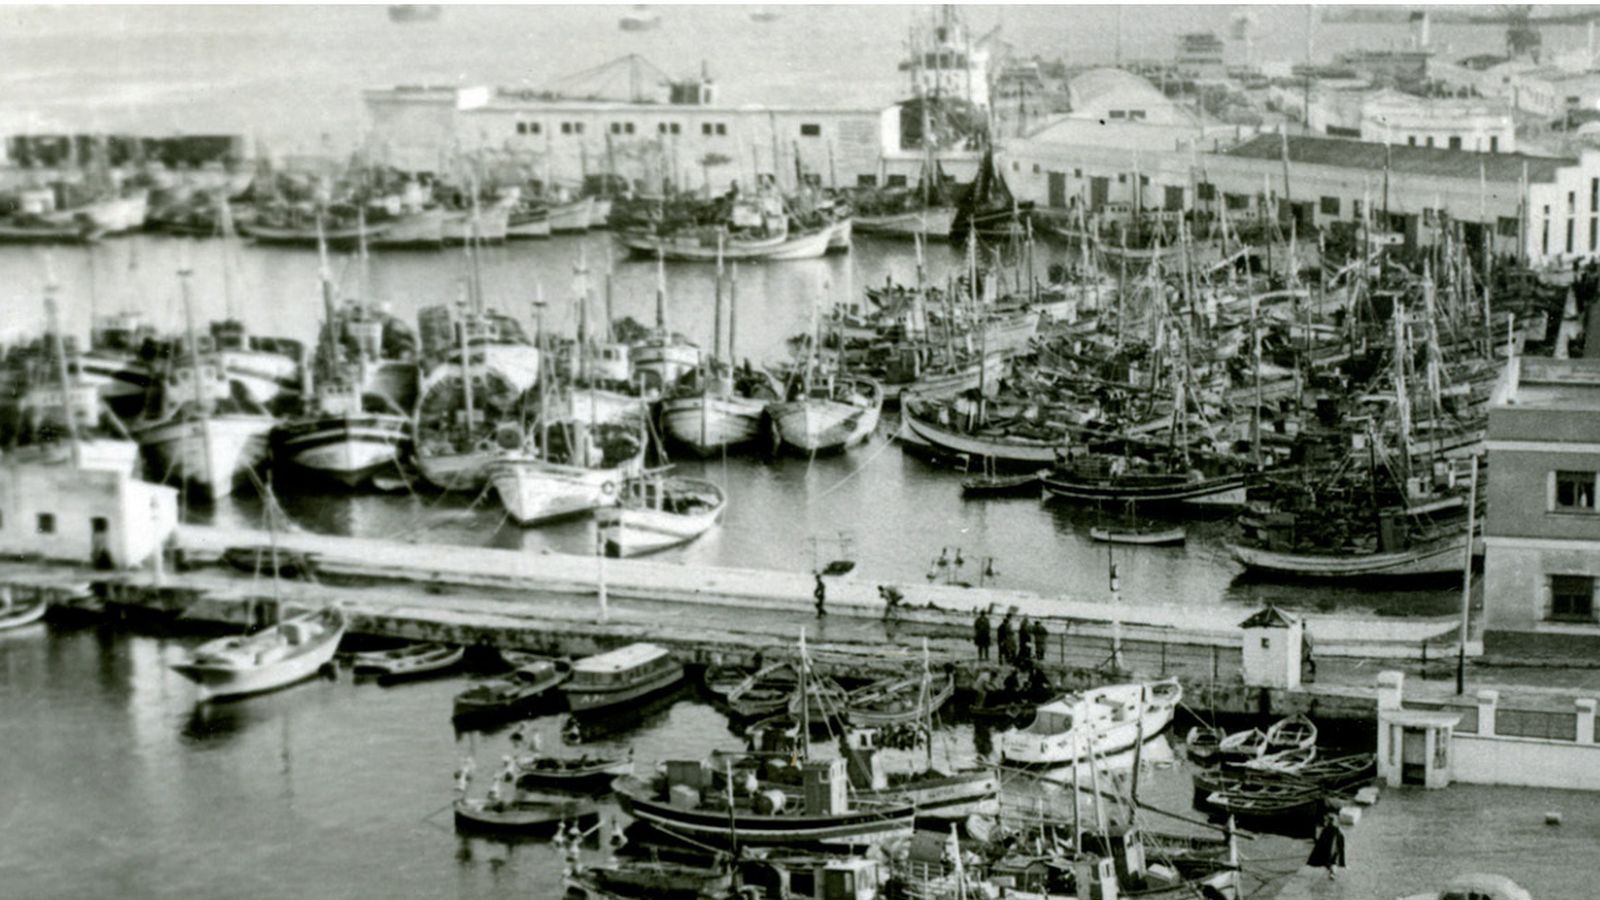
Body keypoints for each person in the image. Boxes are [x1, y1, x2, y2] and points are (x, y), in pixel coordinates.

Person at [1306, 810, 1346, 879]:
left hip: (1330, 846)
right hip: (1332, 846)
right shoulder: (1336, 830)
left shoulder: (1330, 830)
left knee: (1331, 859)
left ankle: (1332, 872)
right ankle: (1332, 872)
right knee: (1333, 859)